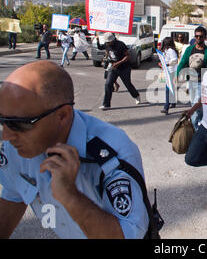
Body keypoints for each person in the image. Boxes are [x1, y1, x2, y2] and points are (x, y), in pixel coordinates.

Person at [0, 61, 149, 238]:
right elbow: (13, 196)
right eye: (3, 121)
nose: (6, 136)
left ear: (62, 115)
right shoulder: (16, 147)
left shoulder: (112, 154)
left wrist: (70, 196)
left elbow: (128, 234)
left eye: (19, 124)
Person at [177, 26, 207, 130]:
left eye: (201, 36)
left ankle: (196, 130)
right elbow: (183, 63)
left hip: (202, 82)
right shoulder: (189, 49)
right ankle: (199, 127)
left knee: (196, 106)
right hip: (191, 82)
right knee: (195, 105)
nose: (198, 39)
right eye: (196, 36)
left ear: (205, 37)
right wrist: (177, 75)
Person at [99, 32, 141, 110]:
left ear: (113, 40)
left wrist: (118, 63)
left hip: (124, 68)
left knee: (128, 84)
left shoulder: (120, 44)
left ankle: (136, 96)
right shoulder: (107, 45)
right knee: (108, 84)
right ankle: (106, 104)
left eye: (109, 42)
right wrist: (105, 58)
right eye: (106, 42)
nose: (107, 43)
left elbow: (127, 56)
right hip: (113, 68)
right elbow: (107, 53)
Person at [159, 37, 178, 115]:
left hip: (171, 72)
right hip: (167, 71)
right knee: (171, 88)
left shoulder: (171, 51)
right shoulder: (166, 50)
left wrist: (167, 64)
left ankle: (166, 107)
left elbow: (175, 61)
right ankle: (173, 103)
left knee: (168, 89)